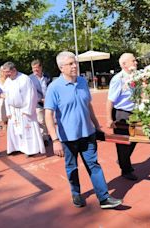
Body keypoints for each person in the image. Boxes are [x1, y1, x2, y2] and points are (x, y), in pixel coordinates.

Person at [44, 51, 122, 209]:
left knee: (94, 165)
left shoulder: (82, 82)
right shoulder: (54, 88)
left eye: (75, 63)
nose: (75, 66)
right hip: (68, 138)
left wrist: (97, 126)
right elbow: (48, 115)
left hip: (88, 134)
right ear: (61, 68)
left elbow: (88, 105)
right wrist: (55, 140)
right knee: (72, 167)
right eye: (70, 64)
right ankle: (76, 193)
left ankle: (104, 198)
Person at [106, 53, 138, 181]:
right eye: (133, 61)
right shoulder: (118, 79)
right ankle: (126, 170)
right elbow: (110, 100)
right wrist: (109, 119)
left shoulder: (136, 76)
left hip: (134, 113)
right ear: (124, 64)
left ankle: (123, 160)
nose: (136, 63)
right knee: (123, 143)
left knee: (136, 138)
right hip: (121, 113)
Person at [3, 61, 45, 156]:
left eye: (8, 72)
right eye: (5, 72)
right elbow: (6, 96)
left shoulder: (25, 79)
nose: (6, 74)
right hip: (13, 110)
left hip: (24, 110)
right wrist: (8, 110)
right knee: (15, 130)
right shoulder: (8, 80)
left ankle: (30, 150)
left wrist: (27, 110)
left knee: (27, 130)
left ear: (13, 70)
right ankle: (16, 147)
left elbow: (31, 95)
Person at [29, 59, 51, 146]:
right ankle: (44, 138)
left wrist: (49, 98)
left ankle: (49, 135)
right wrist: (40, 99)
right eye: (33, 69)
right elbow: (30, 92)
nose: (35, 70)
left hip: (49, 102)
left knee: (49, 119)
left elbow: (50, 87)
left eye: (37, 68)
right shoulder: (30, 78)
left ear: (41, 67)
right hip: (38, 103)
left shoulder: (47, 76)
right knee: (41, 121)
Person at [0, 66, 8, 130]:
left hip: (9, 98)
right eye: (2, 71)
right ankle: (3, 123)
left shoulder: (10, 80)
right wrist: (1, 96)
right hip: (0, 98)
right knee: (1, 104)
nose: (4, 73)